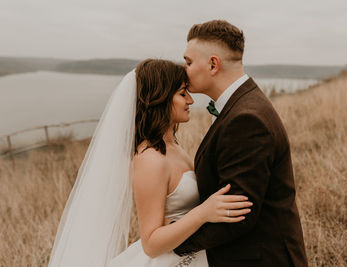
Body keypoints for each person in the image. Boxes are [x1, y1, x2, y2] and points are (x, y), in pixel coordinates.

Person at [48, 58, 252, 267]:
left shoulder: (171, 145)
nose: (190, 100)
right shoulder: (150, 159)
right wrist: (202, 213)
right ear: (160, 98)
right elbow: (151, 244)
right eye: (182, 93)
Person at [173, 20, 308, 266]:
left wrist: (171, 243)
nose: (184, 70)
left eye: (189, 62)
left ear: (213, 64)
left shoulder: (246, 119)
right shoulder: (242, 104)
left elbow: (237, 216)